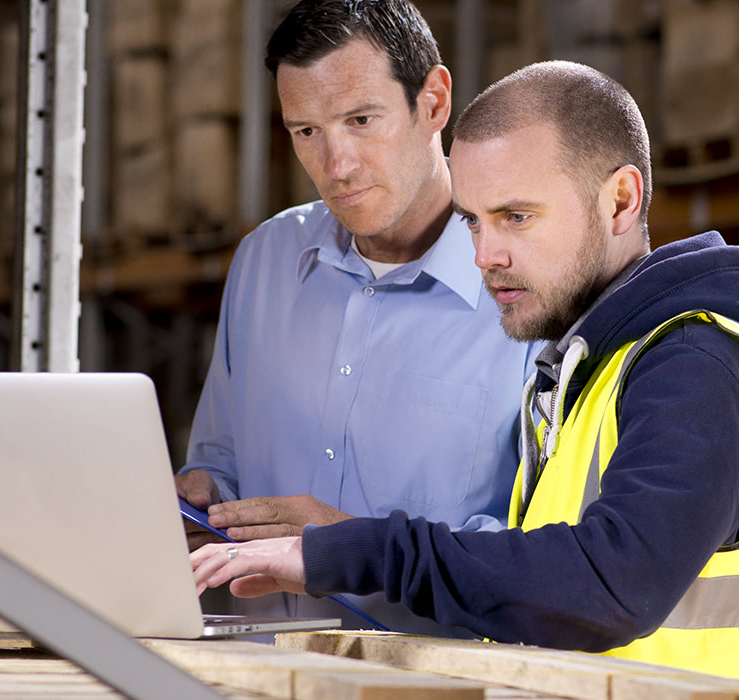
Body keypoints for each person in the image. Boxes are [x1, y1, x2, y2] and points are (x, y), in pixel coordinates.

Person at [190, 61, 739, 697]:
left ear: (620, 201)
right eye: (473, 220)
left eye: (516, 218)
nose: (484, 256)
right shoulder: (589, 369)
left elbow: (611, 585)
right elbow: (535, 585)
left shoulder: (703, 361)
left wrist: (353, 550)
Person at [173, 0, 533, 635]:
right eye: (306, 131)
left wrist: (348, 544)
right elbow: (219, 461)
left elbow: (546, 554)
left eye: (361, 120)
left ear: (435, 102)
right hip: (259, 670)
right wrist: (199, 497)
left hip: (439, 681)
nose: (335, 166)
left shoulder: (525, 289)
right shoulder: (264, 262)